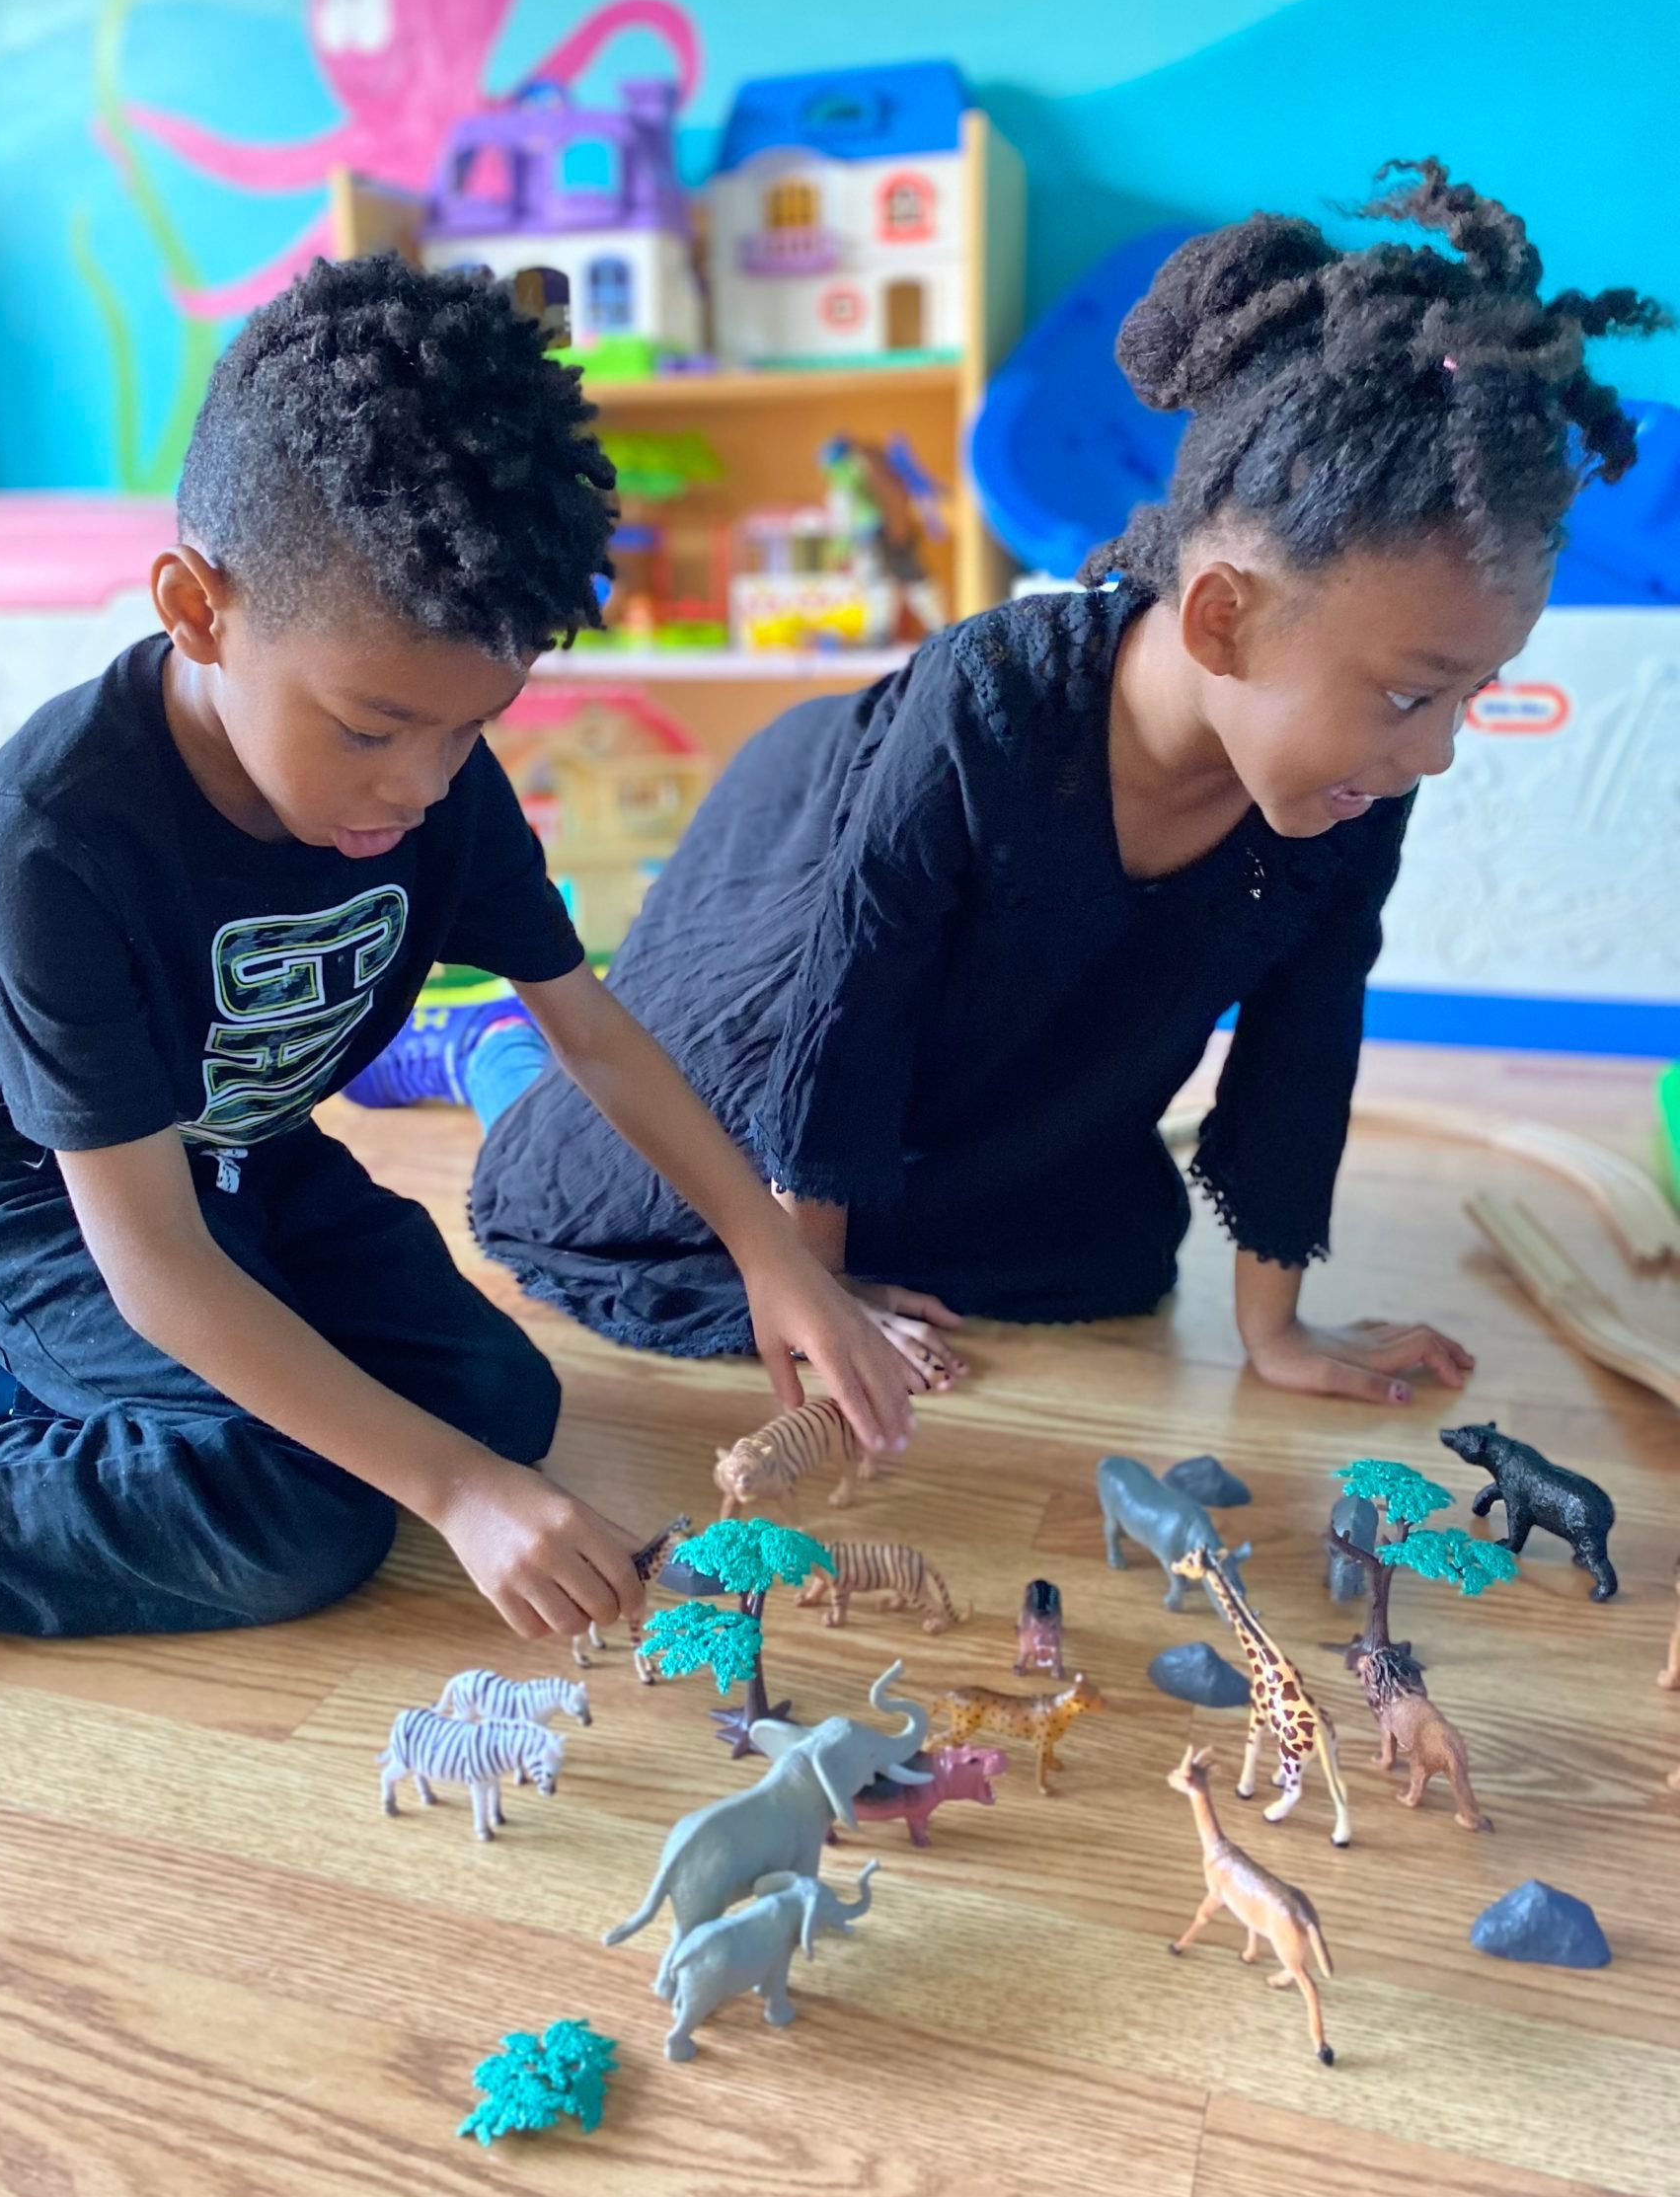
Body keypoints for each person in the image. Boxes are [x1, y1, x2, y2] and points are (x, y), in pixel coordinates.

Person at [0, 261, 917, 1642]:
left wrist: (772, 1253)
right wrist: (457, 1494)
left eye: (470, 725)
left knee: (504, 1405)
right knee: (293, 1519)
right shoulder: (53, 828)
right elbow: (148, 1254)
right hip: (43, 1184)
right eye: (373, 728)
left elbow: (592, 1030)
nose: (423, 785)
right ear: (197, 608)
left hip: (238, 1161)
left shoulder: (440, 776)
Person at [467, 163, 1664, 1405]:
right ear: (1222, 620)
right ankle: (496, 1059)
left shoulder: (1359, 772)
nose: (1438, 752)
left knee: (1103, 1256)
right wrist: (816, 1290)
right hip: (804, 896)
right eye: (1417, 695)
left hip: (982, 1042)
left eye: (1469, 697)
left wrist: (1277, 1331)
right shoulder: (993, 704)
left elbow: (1308, 1031)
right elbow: (852, 1000)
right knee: (614, 1187)